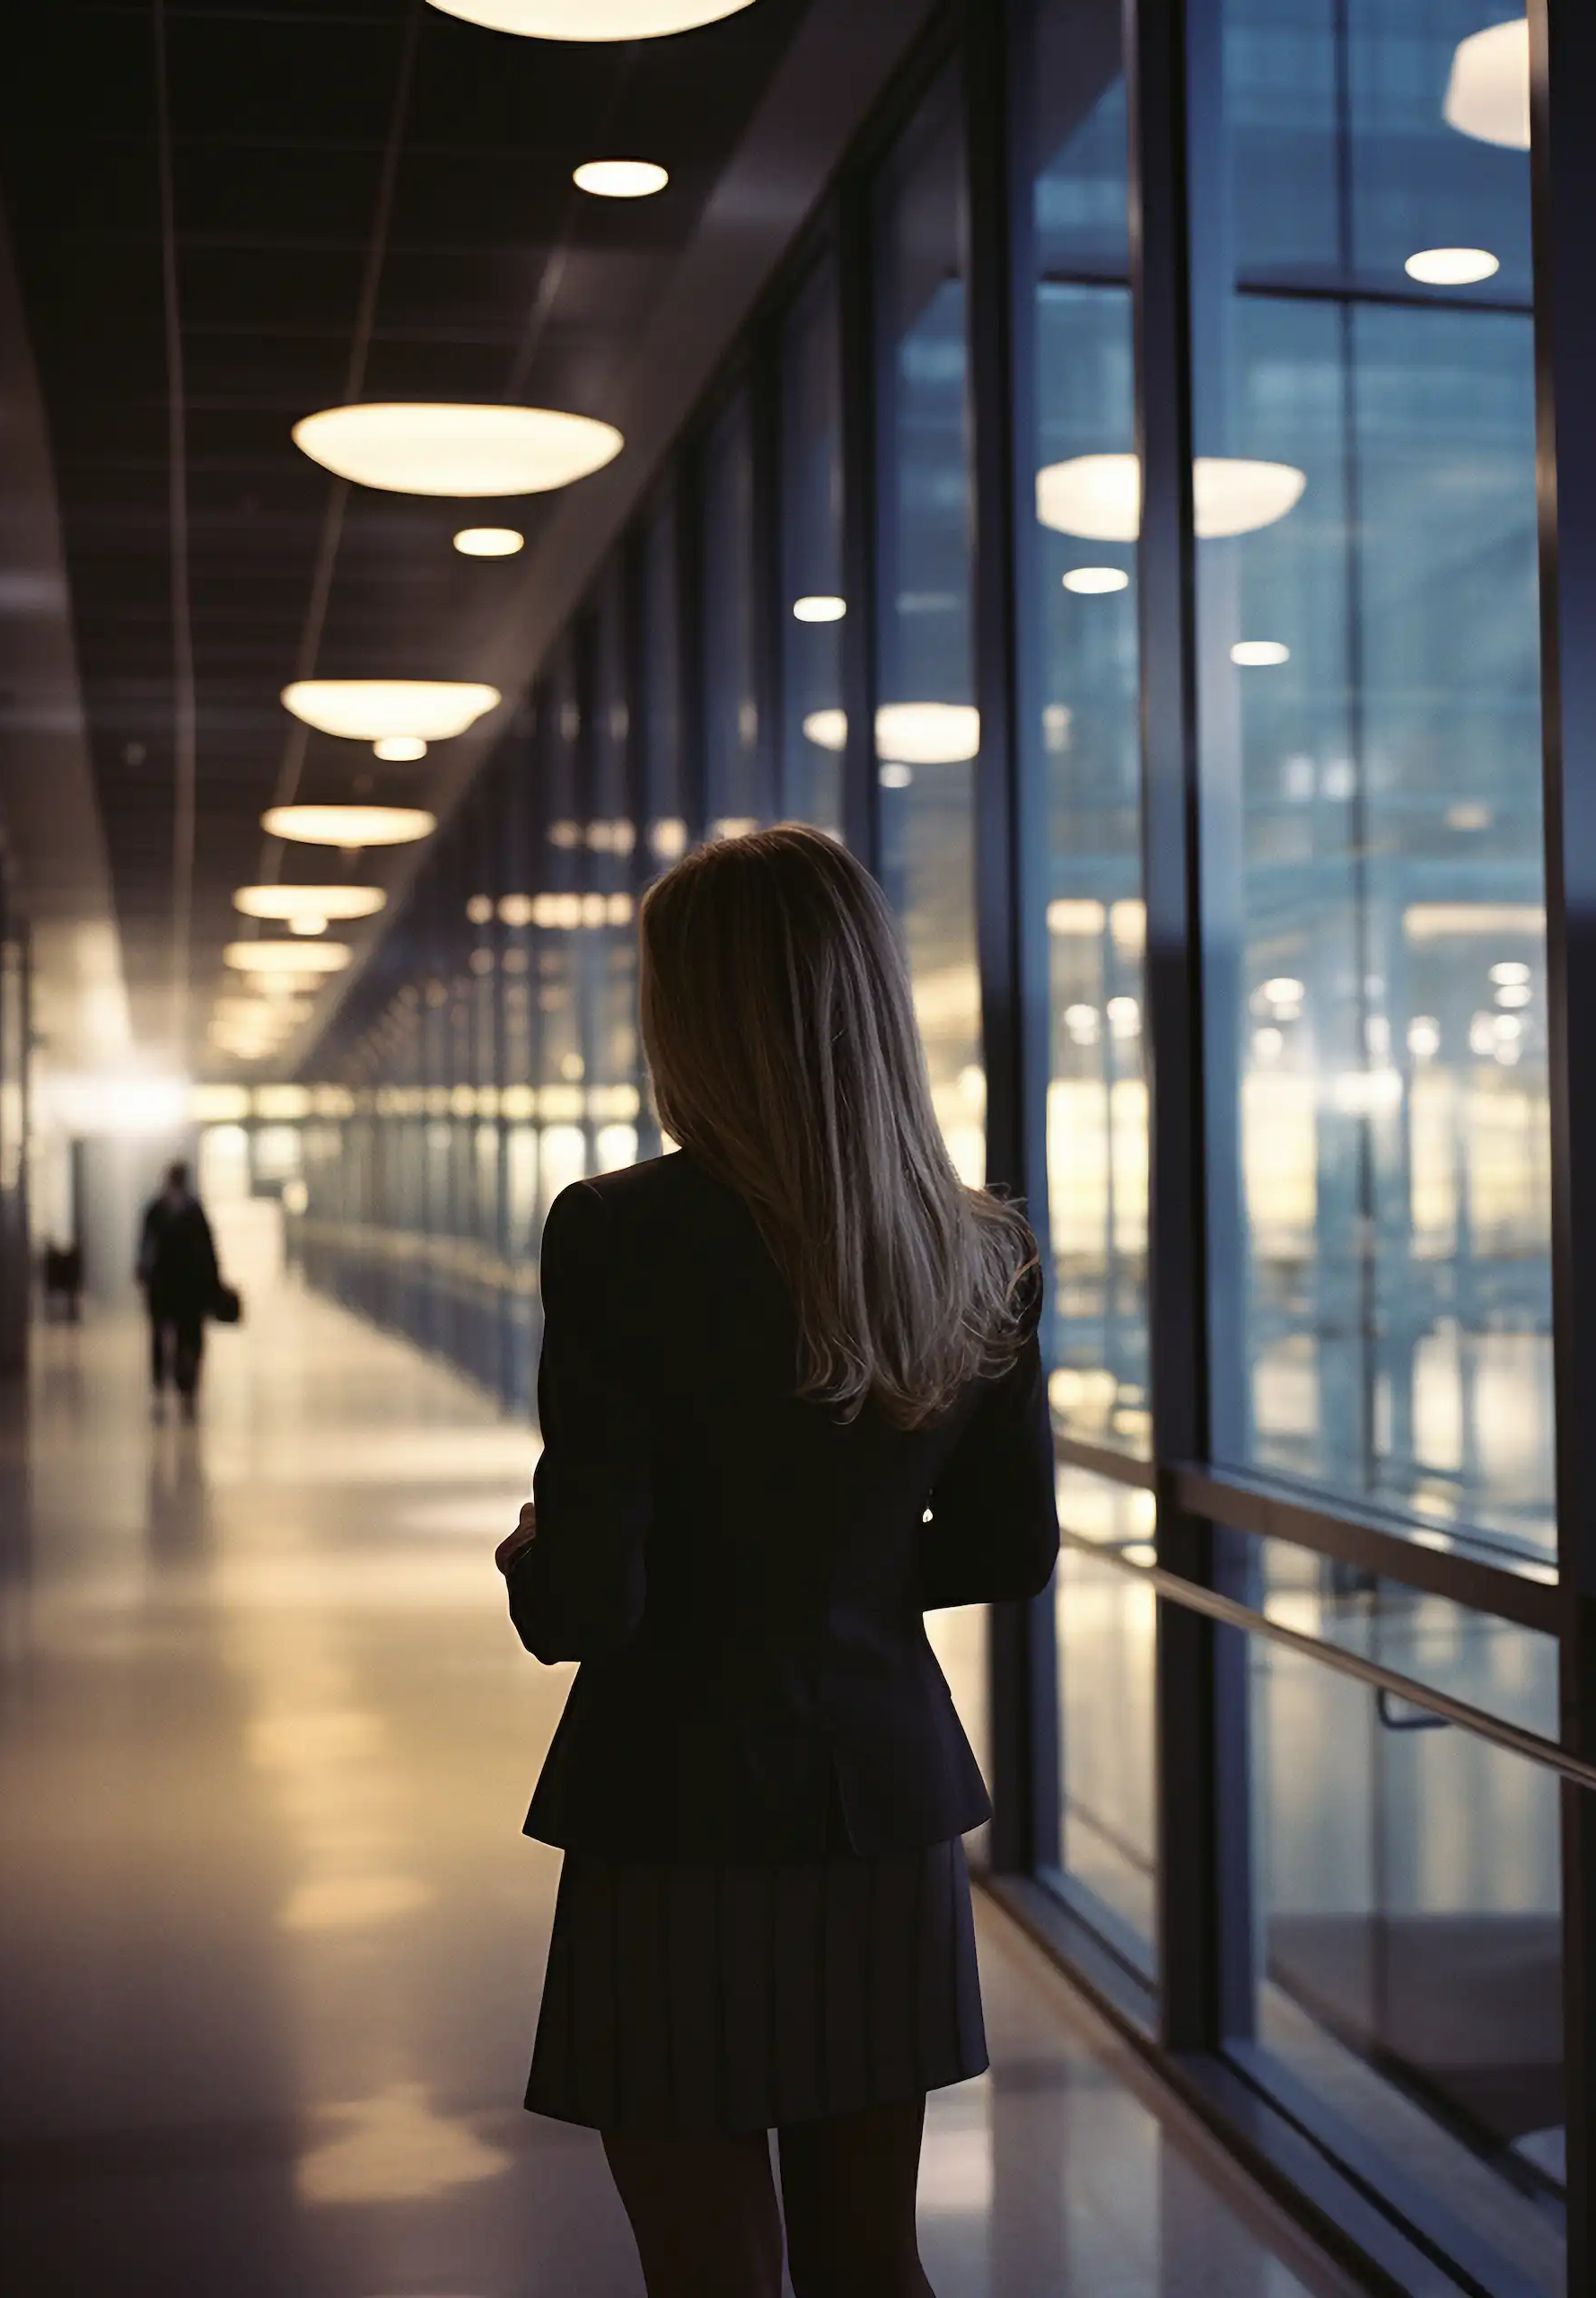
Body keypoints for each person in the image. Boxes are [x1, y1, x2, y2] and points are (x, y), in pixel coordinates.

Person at [495, 825, 1058, 2298]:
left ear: (691, 1015)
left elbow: (591, 1607)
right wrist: (841, 1581)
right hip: (883, 1813)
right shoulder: (981, 1245)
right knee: (875, 2263)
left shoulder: (620, 1233)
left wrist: (531, 1558)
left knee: (710, 2270)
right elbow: (1011, 1548)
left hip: (675, 1811)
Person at [136, 1162, 219, 1419]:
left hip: (165, 1286)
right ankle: (184, 1384)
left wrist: (144, 1274)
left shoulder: (157, 1210)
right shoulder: (193, 1211)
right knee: (187, 1336)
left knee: (164, 1335)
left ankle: (166, 1382)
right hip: (187, 1287)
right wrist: (212, 1282)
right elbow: (208, 1252)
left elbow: (145, 1249)